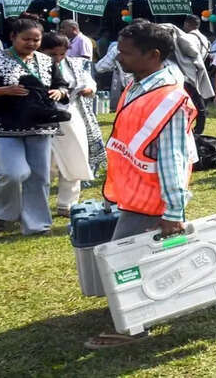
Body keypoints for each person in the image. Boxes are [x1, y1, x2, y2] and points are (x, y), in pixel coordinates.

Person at [84, 22, 197, 349]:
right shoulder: (139, 84)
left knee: (124, 260)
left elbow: (173, 157)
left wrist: (173, 210)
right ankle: (146, 310)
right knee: (138, 256)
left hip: (152, 198)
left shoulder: (169, 97)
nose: (119, 58)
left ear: (154, 55)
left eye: (127, 53)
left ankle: (132, 326)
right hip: (135, 193)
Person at [0, 18, 69, 236]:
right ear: (12, 37)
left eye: (36, 39)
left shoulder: (45, 60)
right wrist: (2, 91)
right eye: (26, 39)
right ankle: (2, 214)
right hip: (6, 124)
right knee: (13, 173)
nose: (32, 43)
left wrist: (59, 92)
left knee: (39, 177)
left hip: (40, 126)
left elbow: (61, 84)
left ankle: (36, 224)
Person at [39, 33, 106, 216]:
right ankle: (37, 203)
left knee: (75, 155)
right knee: (46, 162)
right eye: (53, 54)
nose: (58, 58)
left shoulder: (75, 64)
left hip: (71, 115)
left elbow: (89, 81)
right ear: (41, 50)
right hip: (42, 116)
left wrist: (89, 89)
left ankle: (67, 204)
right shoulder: (34, 65)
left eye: (62, 54)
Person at [160, 23, 214, 135]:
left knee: (198, 106)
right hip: (169, 80)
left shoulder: (183, 42)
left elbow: (195, 56)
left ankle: (198, 130)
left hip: (185, 79)